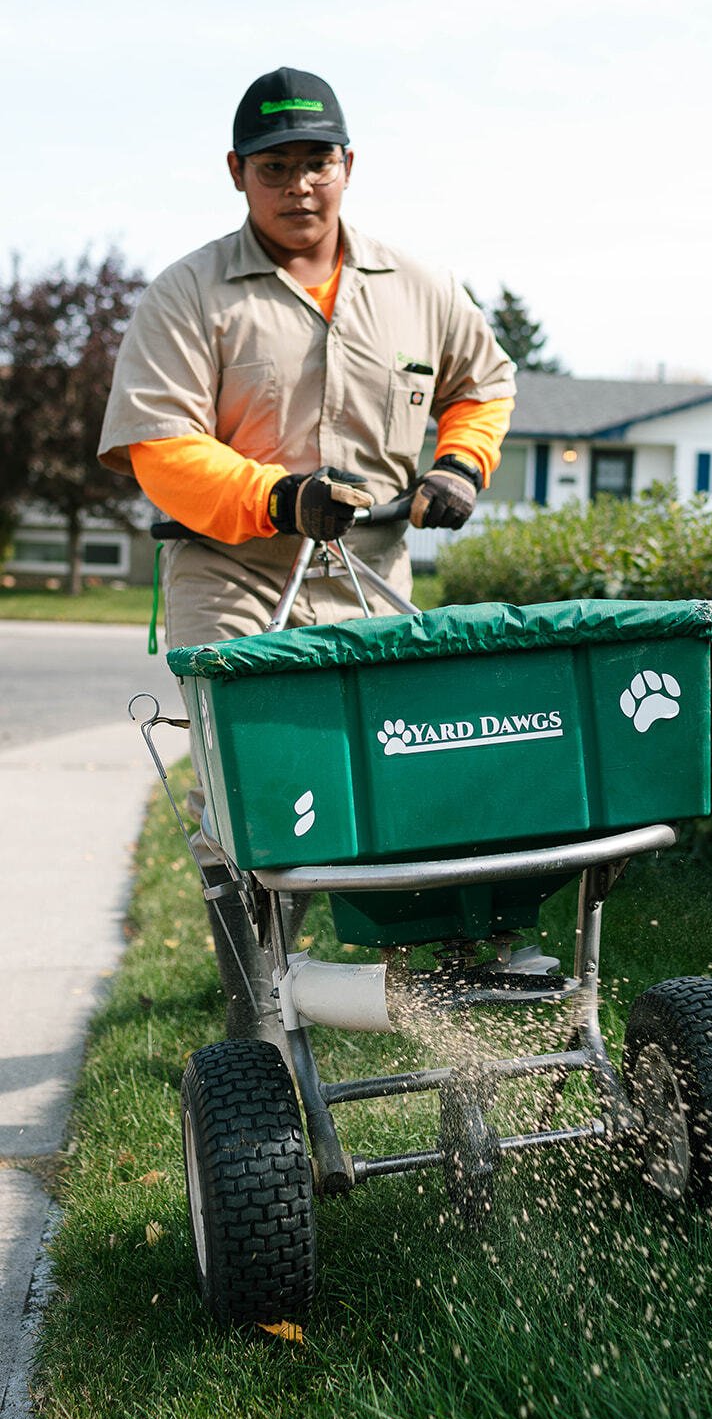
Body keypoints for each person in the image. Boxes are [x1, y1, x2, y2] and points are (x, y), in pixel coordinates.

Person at [99, 66, 515, 1054]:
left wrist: (459, 463)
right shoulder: (190, 296)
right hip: (235, 573)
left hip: (371, 573)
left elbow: (481, 380)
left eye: (316, 163)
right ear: (237, 173)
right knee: (256, 796)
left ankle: (416, 987)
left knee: (394, 777)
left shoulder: (415, 289)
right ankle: (259, 1014)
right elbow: (161, 447)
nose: (299, 186)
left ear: (348, 165)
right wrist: (274, 495)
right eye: (275, 166)